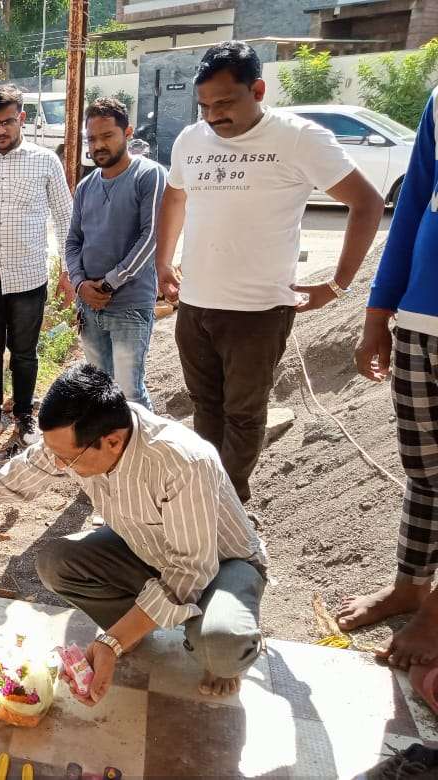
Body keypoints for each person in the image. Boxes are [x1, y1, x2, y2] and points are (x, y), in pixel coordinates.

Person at [0, 364, 268, 698]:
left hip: (221, 563)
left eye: (66, 458)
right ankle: (137, 629)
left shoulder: (182, 461)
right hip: (151, 553)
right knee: (56, 563)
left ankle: (225, 635)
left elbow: (189, 571)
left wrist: (109, 643)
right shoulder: (81, 438)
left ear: (111, 441)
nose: (56, 464)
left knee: (219, 645)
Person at [155, 41, 384, 503]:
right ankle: (206, 496)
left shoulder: (299, 137)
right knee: (206, 409)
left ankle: (232, 505)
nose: (213, 117)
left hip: (258, 311)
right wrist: (163, 262)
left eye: (224, 103)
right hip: (196, 306)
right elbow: (175, 197)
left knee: (243, 413)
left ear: (257, 89)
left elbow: (367, 202)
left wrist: (337, 285)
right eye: (204, 107)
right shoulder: (190, 140)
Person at [339, 85, 438, 671]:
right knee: (424, 472)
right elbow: (417, 200)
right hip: (421, 316)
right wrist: (379, 313)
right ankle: (411, 587)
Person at [0, 84, 74, 448]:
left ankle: (23, 414)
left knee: (24, 353)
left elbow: (66, 218)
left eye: (6, 122)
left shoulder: (45, 161)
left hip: (28, 275)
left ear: (21, 118)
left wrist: (68, 271)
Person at [66, 98, 165, 410]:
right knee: (99, 390)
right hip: (90, 307)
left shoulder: (149, 175)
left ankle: (144, 456)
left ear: (127, 132)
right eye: (92, 139)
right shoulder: (85, 186)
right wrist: (81, 285)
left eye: (107, 136)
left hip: (129, 306)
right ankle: (108, 455)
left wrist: (108, 285)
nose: (98, 146)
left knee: (130, 393)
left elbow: (151, 238)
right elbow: (73, 242)